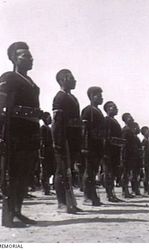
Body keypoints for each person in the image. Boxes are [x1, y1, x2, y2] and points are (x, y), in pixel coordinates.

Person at [0, 41, 49, 227]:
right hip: (15, 132)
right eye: (25, 56)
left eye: (31, 55)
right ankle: (9, 215)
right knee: (14, 174)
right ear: (14, 58)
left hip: (31, 132)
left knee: (25, 175)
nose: (31, 59)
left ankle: (18, 211)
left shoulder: (32, 83)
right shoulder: (9, 77)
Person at [52, 69, 83, 214]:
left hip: (73, 138)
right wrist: (58, 142)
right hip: (63, 138)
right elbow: (57, 123)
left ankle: (71, 202)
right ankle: (62, 203)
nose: (75, 80)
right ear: (63, 79)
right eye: (71, 78)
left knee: (69, 171)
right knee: (61, 171)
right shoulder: (59, 98)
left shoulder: (73, 98)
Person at [81, 86, 105, 206]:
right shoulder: (88, 110)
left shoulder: (98, 111)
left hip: (98, 145)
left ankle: (93, 195)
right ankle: (86, 197)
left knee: (94, 171)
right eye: (99, 95)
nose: (101, 97)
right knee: (89, 171)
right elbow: (84, 130)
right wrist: (84, 146)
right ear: (91, 96)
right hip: (90, 145)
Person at [102, 101, 125, 202]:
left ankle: (112, 194)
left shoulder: (114, 121)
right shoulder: (107, 120)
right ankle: (109, 195)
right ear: (107, 109)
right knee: (108, 173)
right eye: (113, 107)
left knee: (113, 173)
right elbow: (107, 137)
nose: (116, 109)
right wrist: (119, 141)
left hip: (115, 150)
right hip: (109, 151)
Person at [40, 112, 55, 195]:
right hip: (45, 152)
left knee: (49, 170)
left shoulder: (49, 128)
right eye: (49, 117)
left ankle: (47, 188)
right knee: (45, 171)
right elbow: (42, 142)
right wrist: (41, 154)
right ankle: (45, 189)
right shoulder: (43, 128)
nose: (51, 119)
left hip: (50, 152)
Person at [120, 113, 136, 198]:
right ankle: (124, 191)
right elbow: (123, 144)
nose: (132, 118)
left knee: (128, 173)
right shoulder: (125, 130)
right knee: (125, 173)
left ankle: (126, 191)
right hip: (126, 154)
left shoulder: (130, 130)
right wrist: (122, 156)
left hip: (130, 155)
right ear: (125, 119)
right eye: (129, 117)